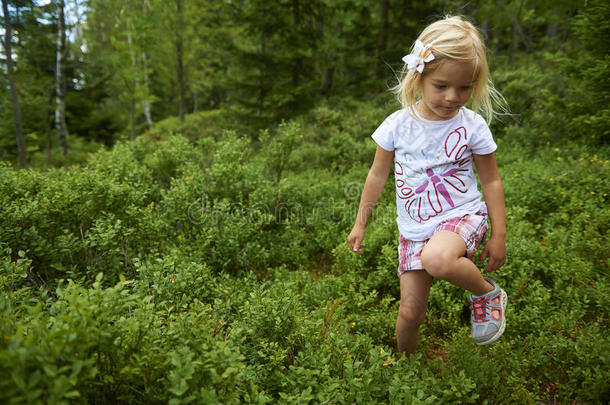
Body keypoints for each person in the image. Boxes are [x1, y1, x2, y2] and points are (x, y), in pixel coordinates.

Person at [347, 15, 508, 355]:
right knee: (410, 312)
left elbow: (491, 180)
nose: (453, 97)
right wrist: (361, 221)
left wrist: (499, 234)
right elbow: (377, 176)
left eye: (465, 88)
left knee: (437, 258)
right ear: (419, 77)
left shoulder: (472, 126)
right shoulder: (396, 126)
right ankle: (408, 372)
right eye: (442, 86)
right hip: (414, 228)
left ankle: (486, 293)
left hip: (461, 215)